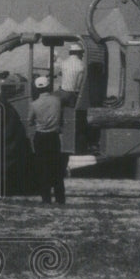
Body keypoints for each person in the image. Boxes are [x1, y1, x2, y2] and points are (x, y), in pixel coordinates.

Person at [28, 75, 65, 204]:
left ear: (37, 89)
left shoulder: (34, 104)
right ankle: (60, 198)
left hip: (41, 137)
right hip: (53, 137)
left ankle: (46, 198)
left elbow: (30, 121)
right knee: (56, 168)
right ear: (48, 86)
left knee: (42, 168)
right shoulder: (57, 101)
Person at [57, 41, 86, 108]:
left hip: (62, 92)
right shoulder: (81, 65)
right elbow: (79, 85)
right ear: (78, 53)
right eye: (81, 53)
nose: (82, 55)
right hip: (73, 95)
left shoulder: (64, 63)